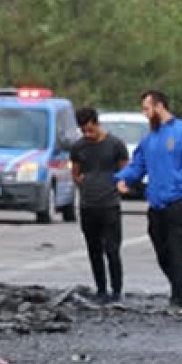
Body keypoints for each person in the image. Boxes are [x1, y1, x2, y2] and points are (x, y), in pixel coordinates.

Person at [115, 90, 182, 315]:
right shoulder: (150, 138)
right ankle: (177, 287)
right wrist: (121, 178)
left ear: (159, 106)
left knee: (179, 253)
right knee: (162, 252)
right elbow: (138, 165)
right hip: (156, 205)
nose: (144, 113)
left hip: (179, 202)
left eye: (147, 108)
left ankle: (179, 299)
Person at [70, 107, 129, 305]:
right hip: (88, 205)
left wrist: (118, 186)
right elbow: (75, 173)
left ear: (97, 124)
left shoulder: (115, 145)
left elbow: (125, 170)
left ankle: (116, 290)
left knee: (112, 249)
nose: (88, 134)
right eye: (83, 131)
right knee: (93, 249)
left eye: (90, 130)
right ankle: (101, 289)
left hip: (109, 204)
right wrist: (84, 183)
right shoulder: (79, 147)